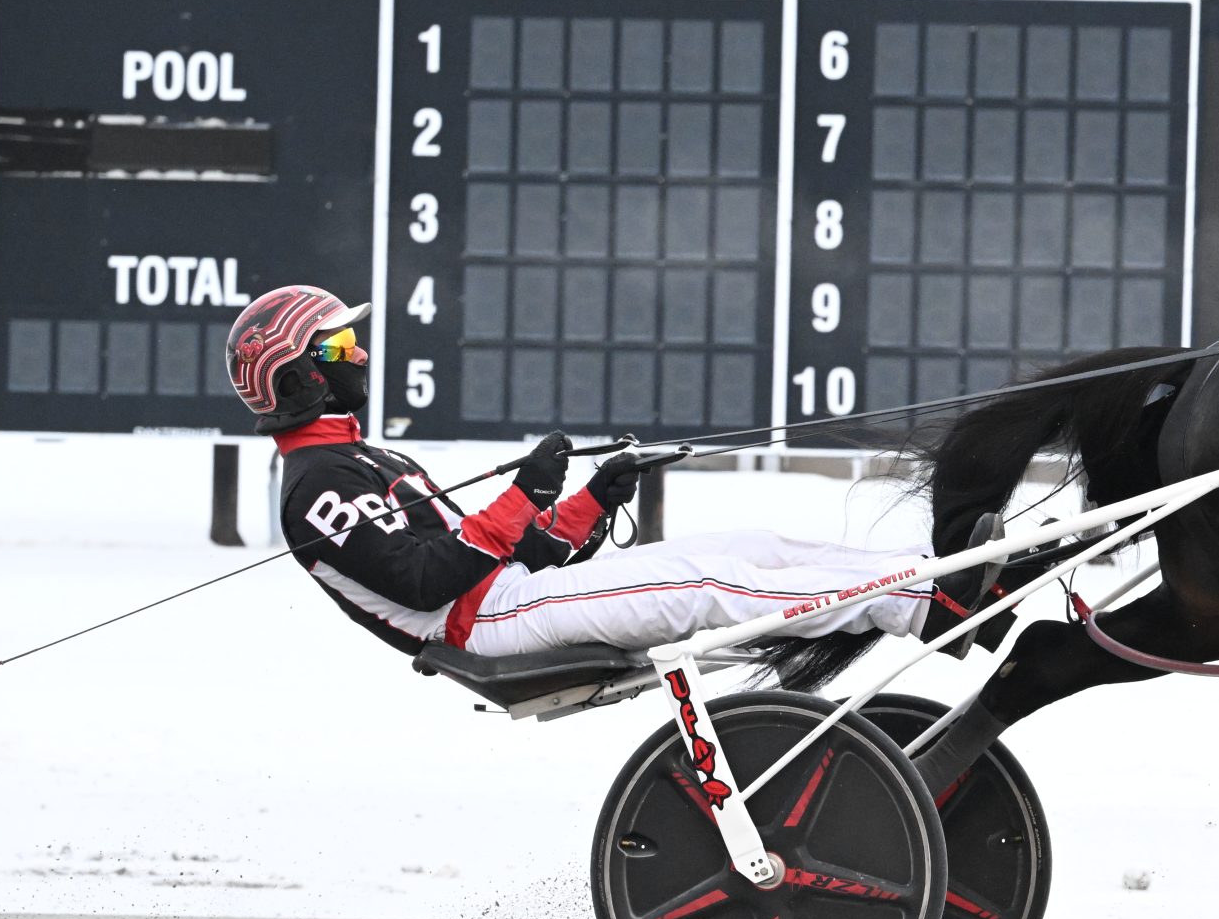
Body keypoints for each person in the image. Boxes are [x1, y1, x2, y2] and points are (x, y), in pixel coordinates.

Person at [225, 284, 995, 667]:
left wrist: (588, 502)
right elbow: (426, 582)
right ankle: (929, 606)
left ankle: (935, 576)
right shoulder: (316, 486)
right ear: (297, 377)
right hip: (482, 626)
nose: (358, 353)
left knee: (752, 545)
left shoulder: (359, 457)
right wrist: (523, 494)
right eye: (335, 349)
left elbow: (511, 551)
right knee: (707, 583)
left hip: (510, 597)